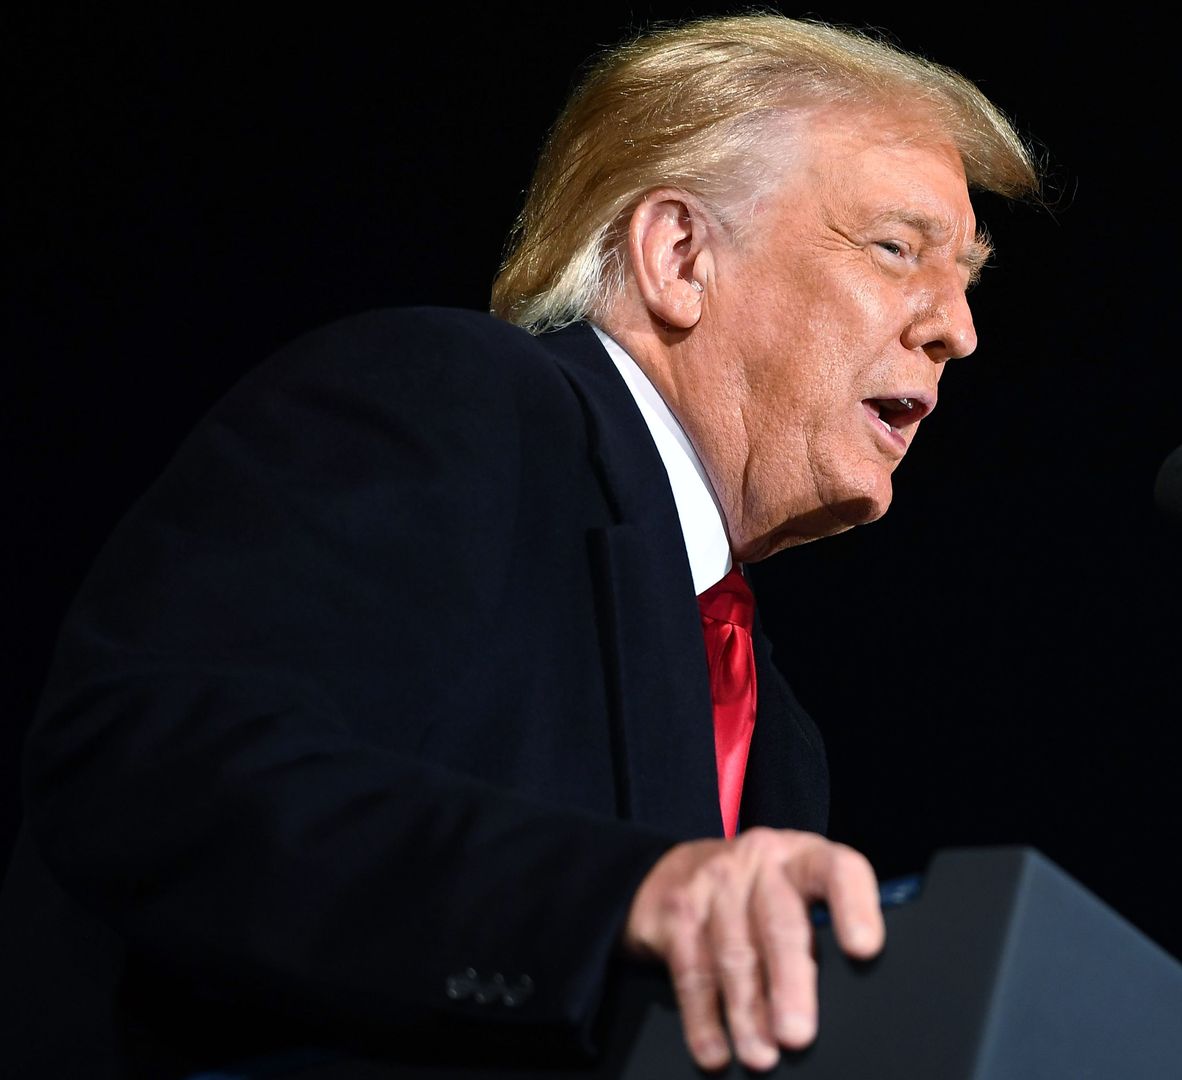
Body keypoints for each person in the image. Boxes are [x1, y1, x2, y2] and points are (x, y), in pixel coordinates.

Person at [0, 13, 1037, 1076]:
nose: (955, 327)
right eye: (897, 249)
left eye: (966, 277)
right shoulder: (455, 399)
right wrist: (619, 899)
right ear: (680, 255)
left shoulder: (778, 733)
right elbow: (152, 766)